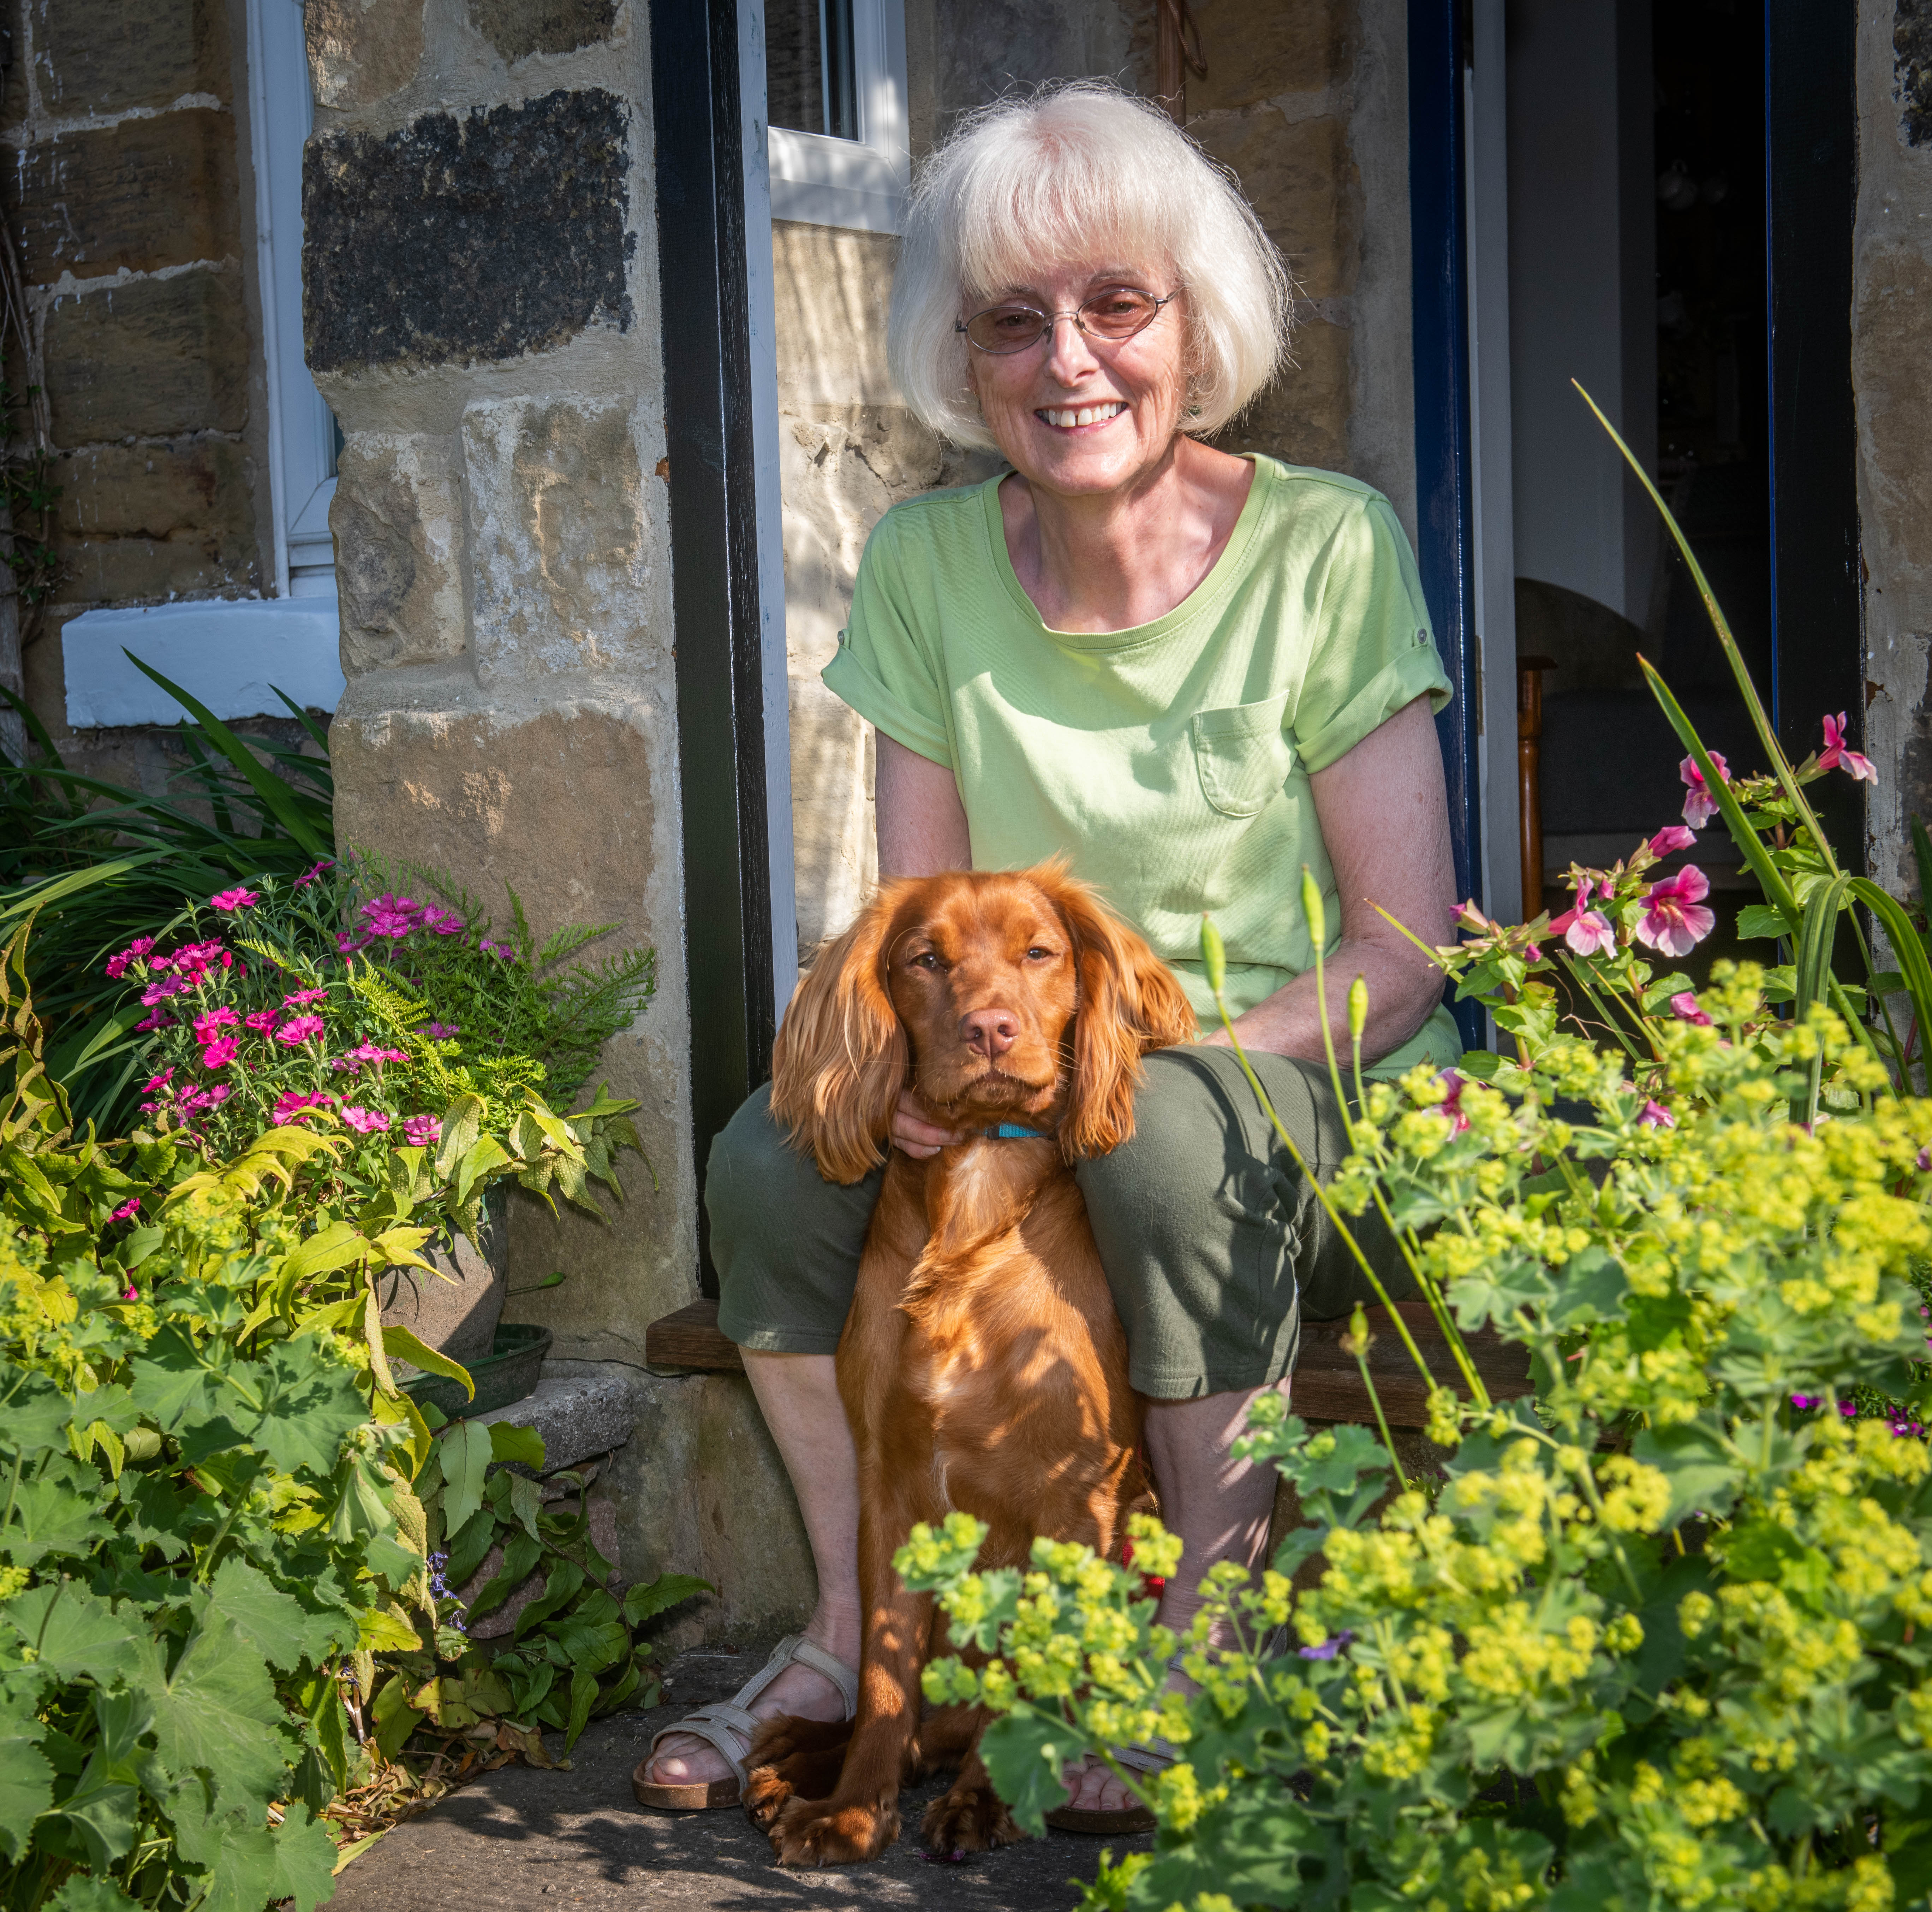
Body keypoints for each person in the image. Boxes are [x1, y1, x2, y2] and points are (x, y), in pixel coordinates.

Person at [640, 80, 1457, 1829]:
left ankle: (1195, 1647)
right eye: (1015, 320)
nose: (1069, 360)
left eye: (1115, 306)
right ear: (967, 354)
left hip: (1292, 1076)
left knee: (1160, 1138)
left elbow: (1403, 951)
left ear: (1195, 322)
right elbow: (912, 925)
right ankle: (851, 1631)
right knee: (773, 1170)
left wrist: (1151, 1068)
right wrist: (922, 1088)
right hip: (1028, 1079)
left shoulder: (1327, 545)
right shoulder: (928, 562)